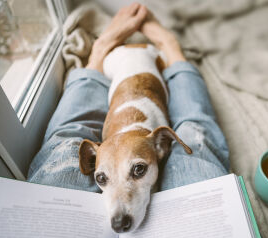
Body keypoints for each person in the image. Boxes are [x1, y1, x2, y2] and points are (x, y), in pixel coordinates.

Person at [28, 3, 229, 192]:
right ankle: (168, 52)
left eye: (138, 170)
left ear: (162, 146)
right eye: (101, 178)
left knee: (66, 140)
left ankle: (150, 48)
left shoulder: (156, 143)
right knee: (194, 130)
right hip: (124, 65)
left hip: (149, 59)